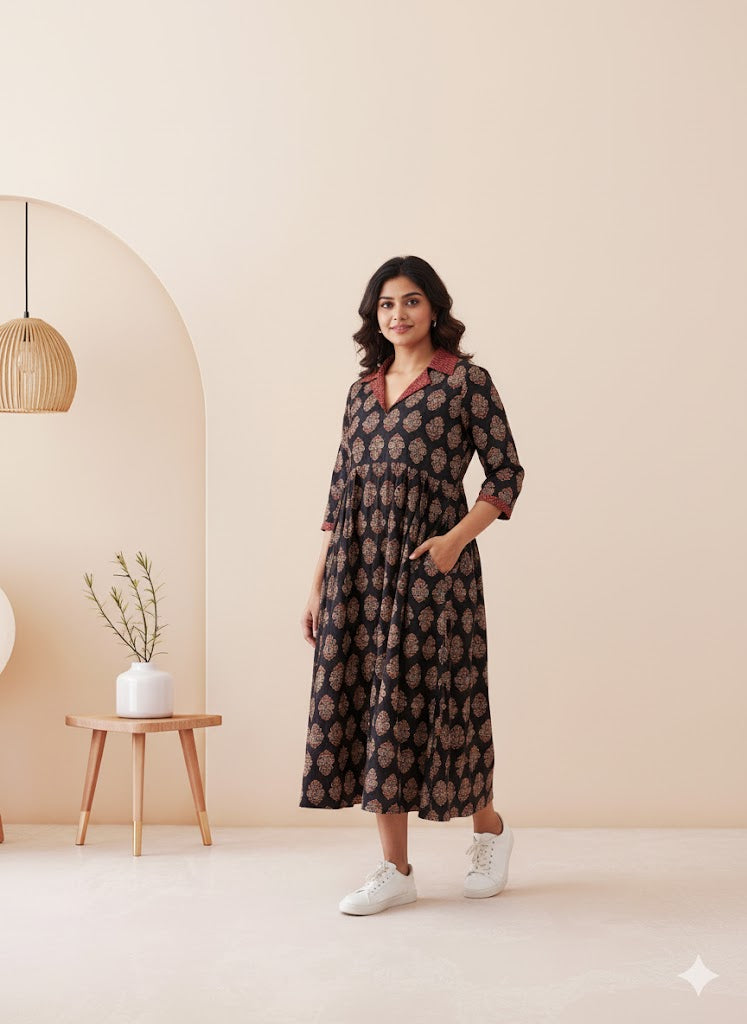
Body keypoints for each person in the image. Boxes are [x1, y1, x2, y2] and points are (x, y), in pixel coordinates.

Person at [299, 254, 525, 915]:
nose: (398, 314)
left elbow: (506, 474)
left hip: (432, 570)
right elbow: (340, 492)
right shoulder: (359, 393)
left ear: (434, 308)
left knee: (446, 704)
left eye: (411, 301)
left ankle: (489, 832)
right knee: (375, 706)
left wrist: (454, 541)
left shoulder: (465, 383)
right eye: (386, 304)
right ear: (374, 316)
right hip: (357, 570)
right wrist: (317, 583)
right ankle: (394, 869)